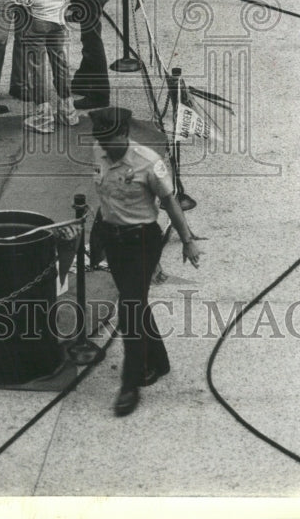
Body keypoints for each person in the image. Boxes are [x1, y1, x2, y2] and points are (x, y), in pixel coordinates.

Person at [89, 106, 201, 417]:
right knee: (135, 302)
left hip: (141, 241)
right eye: (100, 138)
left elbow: (170, 204)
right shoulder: (98, 152)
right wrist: (98, 236)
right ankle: (159, 361)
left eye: (109, 139)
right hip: (113, 238)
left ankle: (131, 382)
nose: (103, 145)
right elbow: (105, 197)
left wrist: (187, 241)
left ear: (124, 134)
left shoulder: (148, 163)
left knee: (129, 309)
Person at [14, 0, 79, 134]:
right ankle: (68, 111)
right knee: (60, 62)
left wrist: (25, 3)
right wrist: (64, 0)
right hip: (58, 17)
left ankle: (44, 116)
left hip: (38, 18)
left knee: (37, 66)